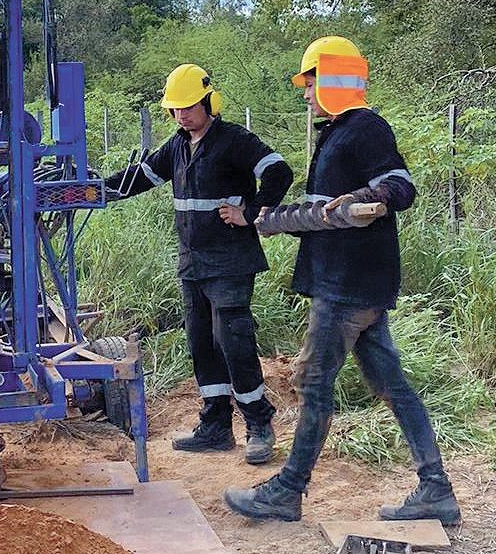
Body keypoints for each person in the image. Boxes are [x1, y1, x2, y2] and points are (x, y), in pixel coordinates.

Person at [222, 37, 461, 524]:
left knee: (313, 382)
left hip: (346, 287)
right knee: (392, 385)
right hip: (353, 282)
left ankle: (288, 490)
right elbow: (323, 213)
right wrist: (277, 220)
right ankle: (436, 488)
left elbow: (400, 186)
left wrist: (367, 196)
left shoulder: (366, 128)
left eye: (310, 83)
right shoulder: (337, 132)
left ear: (331, 79)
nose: (305, 93)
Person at [104, 64, 292, 465]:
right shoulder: (177, 146)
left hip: (230, 263)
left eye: (188, 107)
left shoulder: (234, 141)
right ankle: (216, 427)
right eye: (175, 109)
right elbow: (141, 177)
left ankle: (259, 425)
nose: (181, 116)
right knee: (202, 343)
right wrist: (93, 190)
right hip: (193, 264)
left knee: (233, 342)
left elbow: (279, 172)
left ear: (209, 102)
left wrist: (251, 212)